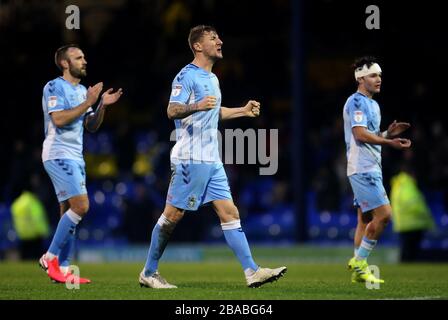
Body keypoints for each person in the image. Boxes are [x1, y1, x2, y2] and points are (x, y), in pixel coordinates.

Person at [139, 25, 286, 289]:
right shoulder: (186, 76)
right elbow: (172, 111)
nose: (220, 41)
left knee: (230, 213)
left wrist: (242, 111)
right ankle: (149, 272)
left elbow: (213, 112)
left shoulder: (213, 79)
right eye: (212, 38)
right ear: (198, 46)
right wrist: (196, 105)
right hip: (190, 158)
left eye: (219, 36)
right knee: (172, 216)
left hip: (211, 159)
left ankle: (252, 271)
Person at [39, 44, 123, 284]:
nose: (84, 61)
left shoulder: (81, 92)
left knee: (68, 211)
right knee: (81, 206)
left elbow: (91, 125)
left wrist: (101, 105)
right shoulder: (54, 86)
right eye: (78, 58)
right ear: (65, 63)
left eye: (84, 57)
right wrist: (88, 102)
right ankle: (50, 257)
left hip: (75, 156)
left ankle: (63, 270)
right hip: (58, 154)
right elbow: (59, 119)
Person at [343, 56, 412, 284]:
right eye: (373, 75)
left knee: (364, 219)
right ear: (361, 78)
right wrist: (390, 143)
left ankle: (358, 272)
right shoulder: (356, 102)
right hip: (362, 169)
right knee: (384, 216)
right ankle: (361, 262)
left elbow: (370, 136)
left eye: (380, 75)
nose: (379, 79)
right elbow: (360, 135)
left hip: (372, 166)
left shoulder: (373, 104)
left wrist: (387, 134)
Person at [390, 159, 435, 262]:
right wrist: (426, 215)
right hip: (413, 223)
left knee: (406, 251)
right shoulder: (407, 185)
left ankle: (402, 269)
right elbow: (414, 204)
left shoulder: (398, 184)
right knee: (411, 252)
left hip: (402, 223)